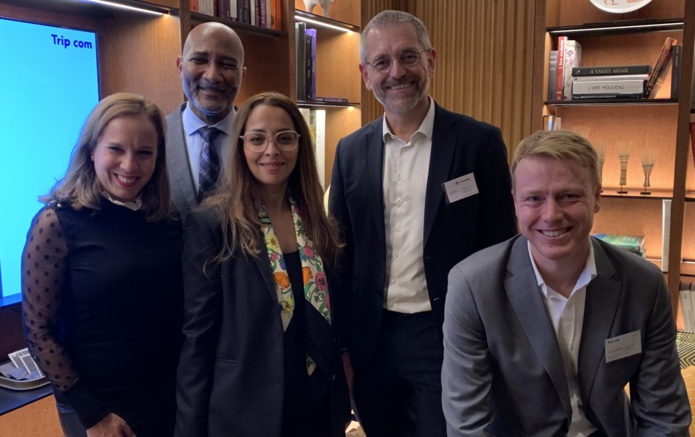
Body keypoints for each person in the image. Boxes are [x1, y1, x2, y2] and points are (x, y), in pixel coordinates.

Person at [328, 9, 517, 437]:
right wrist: (341, 344)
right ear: (365, 73)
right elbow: (340, 254)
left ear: (430, 61)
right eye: (381, 62)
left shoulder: (478, 143)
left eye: (408, 57)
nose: (397, 72)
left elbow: (501, 249)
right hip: (371, 338)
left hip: (448, 335)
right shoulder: (349, 151)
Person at [442, 130, 691, 435]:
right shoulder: (472, 286)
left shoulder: (643, 284)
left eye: (569, 196)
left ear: (596, 197)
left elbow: (663, 415)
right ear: (515, 204)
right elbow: (467, 426)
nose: (551, 215)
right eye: (534, 198)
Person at [175, 92, 350, 436]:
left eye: (284, 138)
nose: (271, 151)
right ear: (241, 146)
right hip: (248, 413)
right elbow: (198, 340)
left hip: (315, 406)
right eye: (257, 139)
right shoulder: (213, 224)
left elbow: (333, 321)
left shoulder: (316, 220)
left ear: (300, 145)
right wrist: (188, 429)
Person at [21, 93, 183, 437]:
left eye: (144, 152)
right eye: (116, 149)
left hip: (171, 399)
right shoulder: (56, 223)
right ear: (91, 150)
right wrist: (93, 415)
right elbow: (38, 330)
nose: (129, 165)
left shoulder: (167, 222)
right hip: (101, 411)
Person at [166, 22, 247, 219]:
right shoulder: (153, 138)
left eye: (227, 64)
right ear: (180, 66)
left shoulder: (262, 142)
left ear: (242, 75)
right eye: (200, 60)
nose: (212, 76)